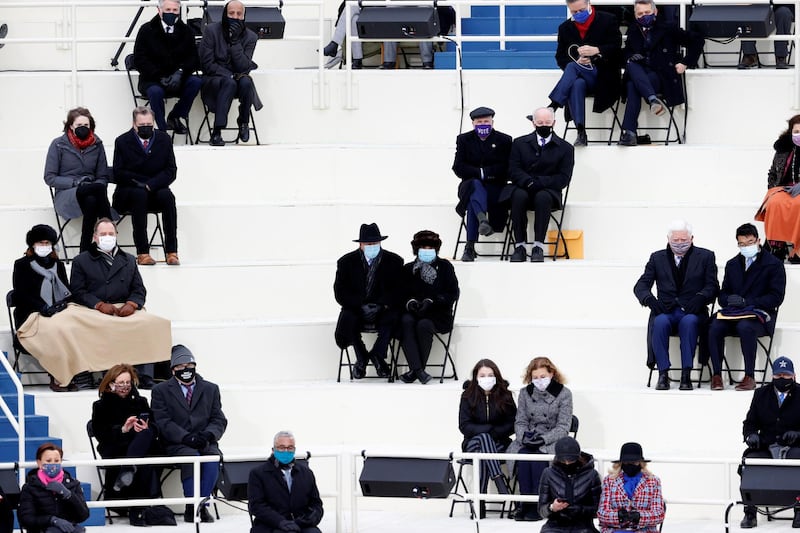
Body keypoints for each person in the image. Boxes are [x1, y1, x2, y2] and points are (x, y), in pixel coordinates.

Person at [68, 218, 171, 388]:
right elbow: (78, 291)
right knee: (101, 327)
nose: (107, 237)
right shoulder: (81, 260)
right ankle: (106, 374)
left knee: (151, 324)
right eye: (103, 234)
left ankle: (144, 375)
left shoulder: (129, 259)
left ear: (116, 235)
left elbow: (139, 289)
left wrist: (132, 304)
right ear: (95, 237)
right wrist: (99, 305)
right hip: (94, 309)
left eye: (110, 234)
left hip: (124, 306)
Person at [633, 219, 718, 390]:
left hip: (693, 311)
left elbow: (713, 285)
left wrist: (701, 297)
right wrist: (650, 300)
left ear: (692, 238)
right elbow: (641, 285)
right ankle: (663, 373)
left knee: (689, 322)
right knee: (660, 322)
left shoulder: (706, 256)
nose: (680, 244)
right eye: (676, 240)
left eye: (683, 240)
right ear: (668, 239)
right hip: (665, 309)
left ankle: (686, 374)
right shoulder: (657, 258)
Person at [151, 345, 228, 523]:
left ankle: (199, 505)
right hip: (176, 443)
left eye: (189, 365)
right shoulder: (160, 391)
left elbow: (219, 419)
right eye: (180, 367)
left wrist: (209, 435)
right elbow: (162, 421)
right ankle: (191, 506)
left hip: (204, 441)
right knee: (191, 457)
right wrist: (185, 437)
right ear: (172, 370)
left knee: (212, 458)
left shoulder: (211, 389)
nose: (185, 369)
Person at [708, 223, 786, 391]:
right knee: (714, 326)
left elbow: (776, 297)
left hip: (760, 315)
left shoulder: (773, 264)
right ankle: (716, 375)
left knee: (745, 326)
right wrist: (729, 299)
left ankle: (749, 376)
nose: (746, 247)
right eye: (742, 244)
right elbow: (723, 293)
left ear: (758, 241)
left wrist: (748, 302)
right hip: (734, 313)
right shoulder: (732, 264)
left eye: (750, 242)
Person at [618, 0, 704, 147]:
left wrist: (685, 62)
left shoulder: (667, 28)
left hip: (661, 75)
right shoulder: (633, 29)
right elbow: (626, 52)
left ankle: (629, 132)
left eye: (647, 13)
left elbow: (697, 40)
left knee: (633, 85)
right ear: (635, 14)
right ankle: (652, 101)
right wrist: (630, 56)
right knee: (632, 72)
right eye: (640, 13)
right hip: (640, 72)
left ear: (655, 12)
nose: (644, 16)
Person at [502, 107, 574, 263]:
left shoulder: (566, 148)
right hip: (523, 186)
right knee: (518, 196)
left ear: (554, 123)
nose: (544, 125)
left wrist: (540, 182)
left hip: (548, 191)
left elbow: (563, 178)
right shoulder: (519, 143)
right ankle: (519, 245)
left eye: (547, 122)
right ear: (533, 123)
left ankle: (538, 246)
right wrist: (528, 181)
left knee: (542, 197)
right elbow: (513, 169)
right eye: (540, 122)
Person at [334, 222, 404, 379]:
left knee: (394, 317)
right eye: (368, 243)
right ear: (361, 245)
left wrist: (382, 304)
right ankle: (361, 357)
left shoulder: (395, 261)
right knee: (348, 318)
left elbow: (399, 290)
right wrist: (360, 304)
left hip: (383, 308)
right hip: (357, 308)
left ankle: (378, 355)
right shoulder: (345, 262)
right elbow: (340, 292)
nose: (372, 246)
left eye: (375, 243)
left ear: (380, 243)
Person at [507, 357, 573, 521]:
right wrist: (523, 437)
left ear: (552, 373)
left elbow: (563, 427)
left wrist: (543, 439)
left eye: (542, 376)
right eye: (535, 378)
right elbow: (520, 421)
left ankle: (539, 506)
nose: (539, 381)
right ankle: (525, 504)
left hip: (552, 440)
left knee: (538, 457)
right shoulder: (525, 393)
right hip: (528, 437)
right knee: (522, 455)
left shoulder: (564, 394)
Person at [91, 364, 158, 527]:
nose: (125, 386)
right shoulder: (100, 406)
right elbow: (101, 434)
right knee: (142, 461)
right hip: (114, 446)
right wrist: (123, 429)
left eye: (128, 382)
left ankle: (128, 468)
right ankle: (137, 511)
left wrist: (146, 426)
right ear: (110, 383)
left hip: (138, 447)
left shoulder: (141, 401)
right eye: (120, 383)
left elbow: (156, 426)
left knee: (146, 435)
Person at [112, 106, 180, 266]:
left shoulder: (164, 139)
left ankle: (172, 251)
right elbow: (119, 172)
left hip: (155, 189)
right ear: (134, 124)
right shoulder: (122, 141)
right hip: (129, 191)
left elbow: (171, 170)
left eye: (149, 124)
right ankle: (143, 252)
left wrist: (151, 184)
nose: (146, 128)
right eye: (142, 125)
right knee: (139, 195)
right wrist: (142, 183)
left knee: (168, 196)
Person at [547, 0, 622, 146]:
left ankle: (553, 106)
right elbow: (560, 57)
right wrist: (578, 61)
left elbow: (616, 46)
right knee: (576, 82)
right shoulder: (565, 28)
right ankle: (581, 132)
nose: (578, 14)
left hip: (603, 76)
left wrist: (597, 50)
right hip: (580, 77)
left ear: (589, 4)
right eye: (574, 12)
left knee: (572, 67)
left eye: (581, 10)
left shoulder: (607, 19)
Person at [11, 224, 74, 392]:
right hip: (30, 313)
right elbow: (20, 294)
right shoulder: (22, 264)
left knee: (73, 325)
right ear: (32, 244)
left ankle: (77, 372)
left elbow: (67, 289)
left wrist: (60, 306)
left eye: (47, 243)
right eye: (40, 243)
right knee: (53, 330)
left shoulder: (57, 265)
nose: (44, 246)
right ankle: (58, 375)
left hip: (57, 311)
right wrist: (43, 307)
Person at [739, 356, 800, 528]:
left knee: (799, 458)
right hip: (766, 445)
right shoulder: (760, 394)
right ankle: (750, 512)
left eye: (786, 375)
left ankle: (799, 510)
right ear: (772, 376)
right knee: (750, 461)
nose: (782, 379)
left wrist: (798, 434)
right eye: (779, 375)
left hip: (794, 446)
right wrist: (750, 435)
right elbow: (749, 423)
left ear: (794, 376)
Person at [43, 107, 112, 252]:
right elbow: (50, 177)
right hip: (67, 194)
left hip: (92, 193)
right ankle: (108, 226)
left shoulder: (97, 144)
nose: (83, 128)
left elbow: (102, 176)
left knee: (92, 200)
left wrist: (96, 184)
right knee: (97, 189)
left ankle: (84, 251)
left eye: (86, 126)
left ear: (91, 126)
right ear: (70, 126)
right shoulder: (58, 144)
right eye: (79, 126)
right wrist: (75, 183)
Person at [452, 106, 513, 262]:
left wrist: (483, 173)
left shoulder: (504, 140)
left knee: (473, 200)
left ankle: (470, 246)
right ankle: (482, 222)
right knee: (474, 186)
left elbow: (506, 167)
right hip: (469, 184)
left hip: (495, 186)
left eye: (486, 121)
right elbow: (458, 167)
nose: (483, 124)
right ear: (473, 123)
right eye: (479, 122)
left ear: (492, 122)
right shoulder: (464, 139)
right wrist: (478, 174)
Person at [398, 230, 459, 384]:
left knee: (423, 325)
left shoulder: (445, 267)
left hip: (438, 314)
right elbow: (400, 293)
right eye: (423, 247)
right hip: (413, 312)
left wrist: (432, 301)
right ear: (416, 250)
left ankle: (415, 371)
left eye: (429, 247)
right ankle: (419, 371)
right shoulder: (408, 269)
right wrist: (410, 302)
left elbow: (453, 293)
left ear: (436, 249)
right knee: (406, 322)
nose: (426, 250)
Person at [458, 358, 516, 517]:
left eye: (490, 375)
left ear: (496, 376)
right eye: (482, 375)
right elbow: (464, 426)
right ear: (476, 377)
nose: (486, 378)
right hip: (472, 443)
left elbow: (512, 423)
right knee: (483, 439)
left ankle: (480, 505)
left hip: (500, 444)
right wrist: (487, 431)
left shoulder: (506, 395)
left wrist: (493, 433)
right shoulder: (467, 396)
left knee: (482, 453)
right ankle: (499, 480)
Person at [132, 0, 201, 133]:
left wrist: (180, 72)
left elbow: (193, 58)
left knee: (196, 82)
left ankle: (175, 116)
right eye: (168, 10)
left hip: (178, 79)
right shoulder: (146, 30)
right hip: (152, 79)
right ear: (159, 10)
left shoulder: (186, 31)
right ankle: (162, 130)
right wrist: (158, 75)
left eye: (175, 10)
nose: (172, 13)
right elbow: (139, 59)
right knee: (155, 92)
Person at [199, 0, 260, 146]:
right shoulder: (211, 31)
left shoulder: (250, 37)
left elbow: (244, 66)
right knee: (230, 82)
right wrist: (229, 75)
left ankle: (243, 121)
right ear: (224, 14)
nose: (235, 16)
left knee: (246, 81)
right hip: (214, 79)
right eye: (231, 13)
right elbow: (207, 64)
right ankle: (217, 131)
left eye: (239, 14)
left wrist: (235, 42)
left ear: (244, 17)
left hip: (238, 79)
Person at [248, 431, 324, 533]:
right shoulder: (258, 474)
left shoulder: (306, 473)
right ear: (273, 449)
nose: (286, 451)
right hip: (270, 524)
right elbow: (256, 506)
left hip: (300, 523)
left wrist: (311, 518)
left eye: (290, 448)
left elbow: (316, 503)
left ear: (294, 450)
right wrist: (280, 522)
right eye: (282, 447)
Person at [756, 114, 800, 263]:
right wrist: (774, 189)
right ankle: (777, 247)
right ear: (790, 132)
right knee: (775, 203)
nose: (799, 135)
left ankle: (797, 250)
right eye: (796, 132)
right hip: (784, 188)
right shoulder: (783, 148)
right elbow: (773, 172)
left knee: (798, 205)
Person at [18, 443, 90, 533]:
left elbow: (83, 515)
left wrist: (68, 495)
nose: (53, 464)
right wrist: (52, 520)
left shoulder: (73, 484)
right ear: (39, 463)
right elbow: (26, 519)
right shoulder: (30, 488)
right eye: (48, 461)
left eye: (56, 461)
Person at [537, 436, 601, 533]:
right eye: (563, 460)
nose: (567, 463)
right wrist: (552, 507)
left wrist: (580, 510)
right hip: (555, 525)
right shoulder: (548, 474)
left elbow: (598, 509)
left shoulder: (591, 475)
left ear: (578, 457)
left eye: (570, 460)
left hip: (583, 526)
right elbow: (541, 509)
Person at [597, 442, 665, 533]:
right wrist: (618, 516)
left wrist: (639, 517)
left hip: (644, 531)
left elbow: (659, 514)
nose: (630, 465)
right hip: (615, 530)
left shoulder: (653, 482)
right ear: (621, 463)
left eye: (634, 462)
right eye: (626, 462)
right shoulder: (610, 481)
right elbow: (602, 513)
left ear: (641, 463)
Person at [322, 1, 363, 69]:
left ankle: (334, 44)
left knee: (351, 6)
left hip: (377, 9)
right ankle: (357, 60)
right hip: (362, 10)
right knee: (354, 20)